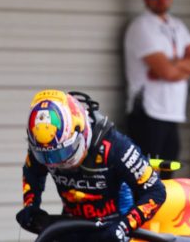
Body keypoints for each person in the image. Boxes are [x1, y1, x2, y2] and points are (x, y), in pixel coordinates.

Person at [16, 89, 166, 242]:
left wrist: (124, 227)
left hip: (115, 231)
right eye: (46, 156)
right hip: (72, 226)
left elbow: (156, 192)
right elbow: (32, 173)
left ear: (80, 133)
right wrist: (31, 206)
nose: (54, 162)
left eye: (61, 153)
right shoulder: (47, 145)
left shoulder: (116, 146)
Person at [124, 0, 190, 178]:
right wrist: (180, 68)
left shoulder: (176, 25)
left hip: (172, 113)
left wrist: (175, 64)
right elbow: (167, 73)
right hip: (148, 113)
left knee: (168, 178)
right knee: (144, 177)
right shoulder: (142, 26)